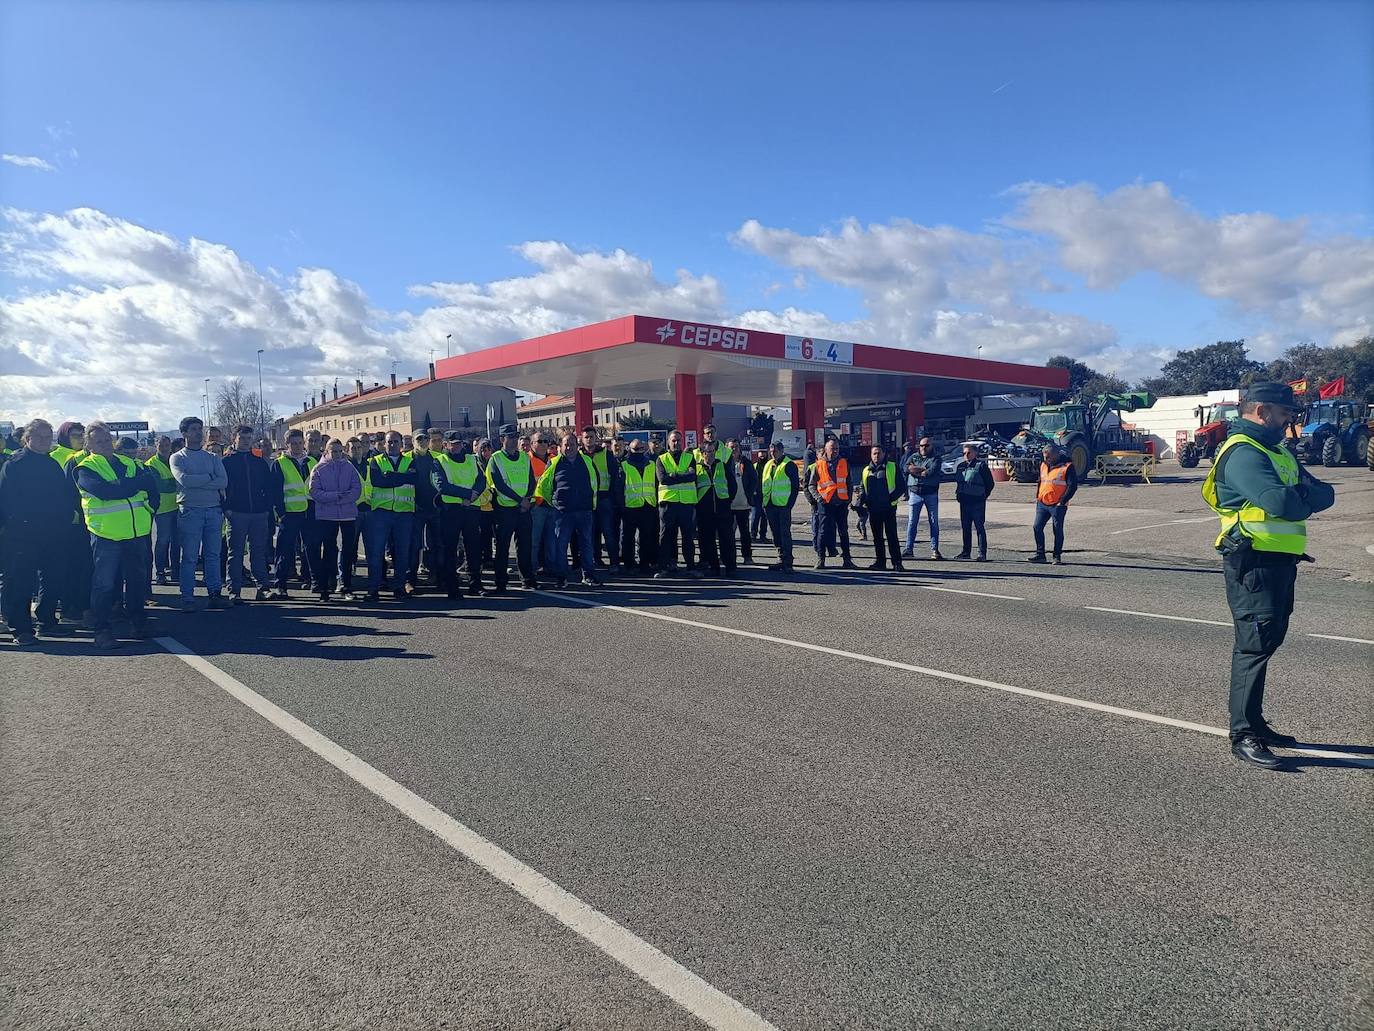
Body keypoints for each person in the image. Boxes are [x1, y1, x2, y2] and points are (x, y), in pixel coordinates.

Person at [1202, 382, 1335, 770]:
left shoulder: (1276, 452)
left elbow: (1325, 494)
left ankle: (1256, 723)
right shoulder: (1244, 453)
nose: (1289, 421)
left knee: (1268, 640)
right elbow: (1282, 503)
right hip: (1253, 562)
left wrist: (1298, 495)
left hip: (1278, 562)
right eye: (1284, 414)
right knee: (1253, 645)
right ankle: (1243, 733)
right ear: (1262, 412)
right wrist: (1298, 494)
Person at [74, 421, 159, 648]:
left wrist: (150, 508)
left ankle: (138, 623)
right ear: (89, 444)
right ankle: (102, 631)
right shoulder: (85, 468)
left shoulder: (128, 463)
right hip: (106, 536)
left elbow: (151, 485)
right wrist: (131, 485)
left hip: (136, 533)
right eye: (97, 441)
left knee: (137, 581)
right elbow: (106, 492)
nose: (104, 444)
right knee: (104, 585)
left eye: (106, 439)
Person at [0, 419, 82, 644]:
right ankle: (21, 629)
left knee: (54, 577)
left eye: (49, 437)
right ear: (27, 439)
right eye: (40, 437)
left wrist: (64, 521)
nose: (45, 441)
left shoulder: (51, 464)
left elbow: (65, 496)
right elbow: (7, 501)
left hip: (54, 533)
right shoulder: (15, 464)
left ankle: (47, 622)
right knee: (21, 583)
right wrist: (23, 524)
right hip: (23, 535)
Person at [170, 416, 230, 612]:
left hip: (213, 511)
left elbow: (223, 482)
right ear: (185, 433)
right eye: (193, 429)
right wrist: (208, 477)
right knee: (189, 557)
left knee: (212, 555)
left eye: (200, 428)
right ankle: (187, 597)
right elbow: (185, 480)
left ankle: (215, 593)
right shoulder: (178, 457)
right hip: (190, 511)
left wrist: (202, 481)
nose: (198, 432)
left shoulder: (212, 457)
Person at [536, 431, 601, 588]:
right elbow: (544, 486)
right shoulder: (554, 463)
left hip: (584, 511)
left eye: (572, 444)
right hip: (562, 512)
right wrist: (554, 502)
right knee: (561, 545)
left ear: (577, 446)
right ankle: (562, 577)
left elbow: (595, 481)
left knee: (586, 544)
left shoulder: (587, 461)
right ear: (560, 446)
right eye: (565, 444)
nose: (568, 447)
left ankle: (588, 576)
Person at [221, 425, 274, 603]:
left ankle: (263, 588)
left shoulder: (259, 462)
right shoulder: (226, 462)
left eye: (248, 438)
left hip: (259, 513)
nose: (245, 441)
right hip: (236, 513)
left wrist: (267, 509)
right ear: (234, 439)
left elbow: (268, 487)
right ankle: (234, 590)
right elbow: (221, 489)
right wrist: (226, 509)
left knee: (258, 551)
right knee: (235, 553)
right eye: (242, 438)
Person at [364, 430, 417, 602]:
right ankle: (373, 589)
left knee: (402, 553)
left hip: (404, 513)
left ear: (401, 444)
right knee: (376, 552)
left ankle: (399, 587)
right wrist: (403, 477)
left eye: (395, 441)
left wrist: (392, 477)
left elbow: (415, 479)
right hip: (381, 513)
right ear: (384, 444)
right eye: (389, 442)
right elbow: (379, 481)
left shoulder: (411, 460)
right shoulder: (374, 461)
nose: (392, 445)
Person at [308, 437, 362, 601]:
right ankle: (325, 587)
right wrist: (335, 496)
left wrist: (341, 499)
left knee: (347, 551)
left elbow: (356, 490)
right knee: (329, 551)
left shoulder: (349, 467)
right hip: (327, 516)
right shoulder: (318, 468)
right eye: (334, 451)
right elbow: (314, 491)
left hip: (347, 515)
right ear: (326, 451)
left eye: (340, 451)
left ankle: (346, 586)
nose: (337, 454)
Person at [434, 433, 485, 599]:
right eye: (453, 444)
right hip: (451, 510)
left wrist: (473, 495)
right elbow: (442, 485)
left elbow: (481, 480)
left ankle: (475, 584)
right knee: (450, 549)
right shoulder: (440, 461)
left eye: (459, 444)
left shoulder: (471, 459)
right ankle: (452, 586)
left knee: (474, 548)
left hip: (471, 509)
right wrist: (467, 494)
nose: (457, 447)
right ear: (446, 444)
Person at [487, 423, 537, 592]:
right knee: (502, 548)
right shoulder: (496, 458)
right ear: (502, 439)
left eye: (516, 436)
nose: (514, 440)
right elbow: (499, 484)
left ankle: (527, 579)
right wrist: (519, 500)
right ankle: (501, 581)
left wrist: (527, 499)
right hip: (504, 509)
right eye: (511, 437)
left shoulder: (524, 457)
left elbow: (531, 481)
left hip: (523, 509)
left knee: (525, 546)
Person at [269, 429, 319, 599]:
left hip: (309, 511)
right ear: (287, 444)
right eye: (293, 443)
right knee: (285, 549)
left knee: (311, 548)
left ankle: (313, 580)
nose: (297, 446)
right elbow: (275, 491)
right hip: (290, 513)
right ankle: (280, 584)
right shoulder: (280, 463)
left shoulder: (311, 461)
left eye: (300, 442)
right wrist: (281, 513)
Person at [692, 423, 736, 575]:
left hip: (722, 508)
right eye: (707, 452)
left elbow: (732, 485)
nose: (709, 454)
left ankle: (730, 568)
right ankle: (714, 567)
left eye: (712, 452)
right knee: (707, 540)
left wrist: (727, 501)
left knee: (727, 540)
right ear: (702, 453)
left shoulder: (722, 465)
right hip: (704, 510)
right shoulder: (697, 467)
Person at [806, 438, 856, 569]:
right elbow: (811, 485)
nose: (834, 451)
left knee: (843, 532)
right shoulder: (819, 465)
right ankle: (821, 559)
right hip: (825, 503)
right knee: (823, 532)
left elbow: (849, 482)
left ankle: (847, 560)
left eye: (836, 449)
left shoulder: (844, 463)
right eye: (832, 449)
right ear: (826, 450)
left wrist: (848, 498)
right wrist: (818, 498)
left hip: (841, 503)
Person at [655, 430, 699, 578]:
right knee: (665, 536)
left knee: (688, 537)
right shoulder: (661, 458)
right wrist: (682, 476)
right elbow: (663, 479)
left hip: (686, 503)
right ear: (668, 442)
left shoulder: (689, 457)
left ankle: (691, 567)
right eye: (674, 440)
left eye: (679, 440)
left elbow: (692, 476)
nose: (676, 443)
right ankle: (664, 567)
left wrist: (673, 475)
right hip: (668, 503)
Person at [580, 426, 621, 572]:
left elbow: (615, 476)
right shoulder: (578, 455)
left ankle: (614, 563)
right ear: (582, 439)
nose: (589, 440)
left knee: (608, 532)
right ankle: (596, 560)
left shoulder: (606, 454)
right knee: (590, 533)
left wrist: (612, 497)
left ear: (596, 438)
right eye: (586, 437)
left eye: (591, 437)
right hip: (587, 500)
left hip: (604, 499)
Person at [1028, 444, 1076, 565]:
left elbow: (1072, 486)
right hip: (1042, 502)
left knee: (1057, 529)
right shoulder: (1044, 465)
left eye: (1048, 456)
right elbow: (1041, 481)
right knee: (1037, 527)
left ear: (1056, 455)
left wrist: (1063, 501)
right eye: (1044, 456)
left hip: (1058, 504)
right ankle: (1040, 554)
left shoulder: (1067, 466)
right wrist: (1038, 496)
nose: (1046, 459)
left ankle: (1057, 556)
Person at [406, 429, 442, 592]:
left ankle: (436, 576)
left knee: (436, 544)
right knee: (413, 546)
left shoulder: (437, 458)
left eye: (425, 439)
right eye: (419, 439)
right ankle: (410, 580)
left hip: (434, 507)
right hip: (414, 508)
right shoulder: (406, 459)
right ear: (413, 441)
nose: (423, 441)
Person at [859, 445, 905, 571]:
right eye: (874, 453)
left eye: (879, 453)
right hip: (873, 509)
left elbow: (901, 486)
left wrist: (890, 499)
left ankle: (897, 563)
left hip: (888, 508)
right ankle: (880, 562)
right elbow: (863, 488)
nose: (876, 456)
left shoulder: (892, 466)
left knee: (892, 537)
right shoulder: (866, 470)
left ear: (884, 453)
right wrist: (860, 502)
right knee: (877, 538)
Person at [144, 436, 180, 585]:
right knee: (163, 541)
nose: (165, 447)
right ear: (156, 446)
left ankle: (176, 571)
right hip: (162, 509)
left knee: (177, 542)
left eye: (167, 444)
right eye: (161, 445)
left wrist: (174, 482)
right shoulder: (151, 464)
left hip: (178, 506)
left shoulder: (174, 459)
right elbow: (160, 485)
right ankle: (160, 573)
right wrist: (177, 482)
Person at [618, 437, 659, 572]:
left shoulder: (652, 464)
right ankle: (629, 564)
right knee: (628, 538)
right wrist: (621, 506)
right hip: (630, 506)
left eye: (641, 449)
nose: (639, 451)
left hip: (648, 505)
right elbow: (619, 488)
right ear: (630, 449)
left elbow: (657, 485)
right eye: (636, 449)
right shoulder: (623, 465)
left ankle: (645, 564)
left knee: (646, 537)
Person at [760, 440, 799, 573]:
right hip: (769, 504)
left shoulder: (789, 465)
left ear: (781, 451)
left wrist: (789, 505)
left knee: (784, 533)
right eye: (771, 451)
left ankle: (788, 562)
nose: (773, 454)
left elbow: (795, 487)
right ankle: (780, 558)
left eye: (775, 451)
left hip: (783, 505)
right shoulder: (768, 464)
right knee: (775, 533)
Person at [903, 437, 943, 560]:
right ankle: (909, 549)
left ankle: (935, 550)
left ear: (931, 446)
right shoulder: (914, 456)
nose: (923, 448)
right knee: (912, 522)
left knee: (933, 522)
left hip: (931, 493)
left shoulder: (936, 458)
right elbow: (905, 468)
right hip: (915, 493)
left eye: (926, 446)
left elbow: (931, 472)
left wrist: (915, 470)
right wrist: (921, 470)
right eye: (921, 446)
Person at [953, 443, 995, 561]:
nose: (966, 455)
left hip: (977, 502)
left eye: (968, 453)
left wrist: (983, 495)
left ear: (975, 453)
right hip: (964, 501)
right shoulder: (960, 466)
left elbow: (990, 484)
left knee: (979, 527)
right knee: (965, 527)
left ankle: (982, 553)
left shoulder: (981, 466)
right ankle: (966, 551)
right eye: (964, 453)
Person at [727, 439, 759, 568]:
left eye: (735, 447)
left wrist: (749, 494)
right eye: (731, 447)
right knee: (728, 533)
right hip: (729, 504)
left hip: (743, 504)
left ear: (739, 449)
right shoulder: (724, 464)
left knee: (744, 533)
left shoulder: (746, 463)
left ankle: (747, 556)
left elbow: (754, 480)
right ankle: (729, 557)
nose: (733, 449)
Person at [528, 433, 556, 574]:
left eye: (546, 441)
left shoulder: (554, 459)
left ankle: (550, 567)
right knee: (534, 540)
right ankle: (532, 567)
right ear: (532, 443)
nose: (544, 444)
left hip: (551, 505)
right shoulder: (526, 459)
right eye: (540, 441)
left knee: (551, 540)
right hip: (536, 505)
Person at [750, 451, 770, 544]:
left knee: (764, 516)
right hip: (756, 494)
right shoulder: (754, 466)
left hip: (766, 493)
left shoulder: (769, 465)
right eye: (760, 454)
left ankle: (763, 535)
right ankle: (753, 535)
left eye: (764, 453)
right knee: (755, 515)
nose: (762, 455)